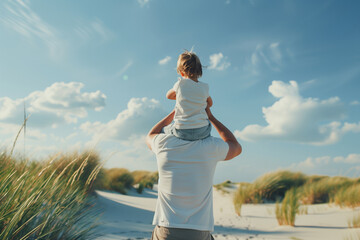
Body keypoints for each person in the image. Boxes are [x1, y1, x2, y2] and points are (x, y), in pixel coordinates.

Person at [146, 105, 242, 240]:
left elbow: (150, 135)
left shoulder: (163, 143)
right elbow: (235, 146)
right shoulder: (211, 146)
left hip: (167, 230)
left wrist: (174, 112)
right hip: (199, 232)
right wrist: (212, 117)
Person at [163, 50, 213, 141]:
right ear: (199, 71)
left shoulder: (180, 84)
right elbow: (210, 103)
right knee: (208, 124)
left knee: (164, 129)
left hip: (182, 131)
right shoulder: (205, 87)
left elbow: (168, 96)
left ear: (181, 73)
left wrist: (181, 96)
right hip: (202, 131)